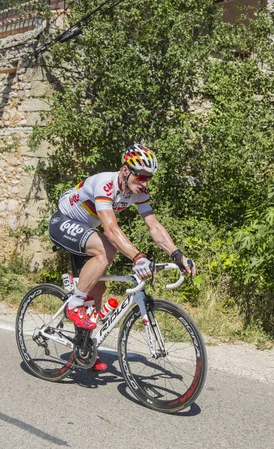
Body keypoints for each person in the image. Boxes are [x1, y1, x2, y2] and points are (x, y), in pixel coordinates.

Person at [48, 143, 197, 372]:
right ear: (125, 170)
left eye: (149, 178)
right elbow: (110, 228)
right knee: (108, 249)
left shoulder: (139, 192)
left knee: (97, 289)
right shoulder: (105, 185)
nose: (145, 182)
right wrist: (138, 257)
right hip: (64, 222)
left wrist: (177, 255)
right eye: (141, 176)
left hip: (86, 230)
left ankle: (84, 348)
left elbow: (154, 226)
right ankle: (74, 304)